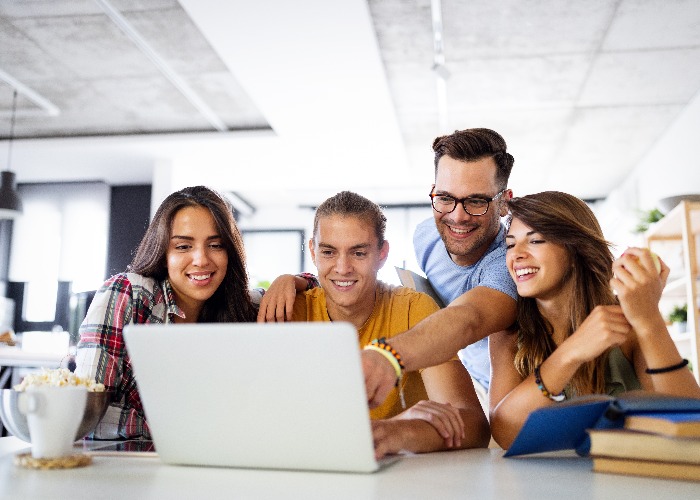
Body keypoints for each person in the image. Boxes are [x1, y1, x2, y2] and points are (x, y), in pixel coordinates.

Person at [75, 186, 311, 439]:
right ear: (163, 251)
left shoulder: (243, 307)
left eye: (216, 245)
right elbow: (85, 414)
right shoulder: (129, 294)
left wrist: (293, 280)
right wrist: (180, 431)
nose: (201, 259)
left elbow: (329, 293)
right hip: (124, 469)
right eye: (184, 246)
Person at [489, 191, 700, 449]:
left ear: (576, 249)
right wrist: (572, 351)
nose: (517, 254)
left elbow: (692, 427)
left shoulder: (626, 327)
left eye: (536, 241)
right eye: (511, 244)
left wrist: (649, 320)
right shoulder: (507, 333)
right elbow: (504, 433)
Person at [290, 191, 490, 457]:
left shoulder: (412, 308)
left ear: (382, 254)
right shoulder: (291, 312)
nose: (342, 267)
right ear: (313, 252)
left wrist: (398, 432)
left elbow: (474, 426)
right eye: (328, 252)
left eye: (358, 253)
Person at [362, 128, 518, 409]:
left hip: (517, 393)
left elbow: (469, 317)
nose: (457, 217)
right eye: (445, 198)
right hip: (469, 379)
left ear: (504, 202)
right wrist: (305, 281)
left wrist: (387, 355)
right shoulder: (426, 236)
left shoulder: (510, 261)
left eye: (476, 201)